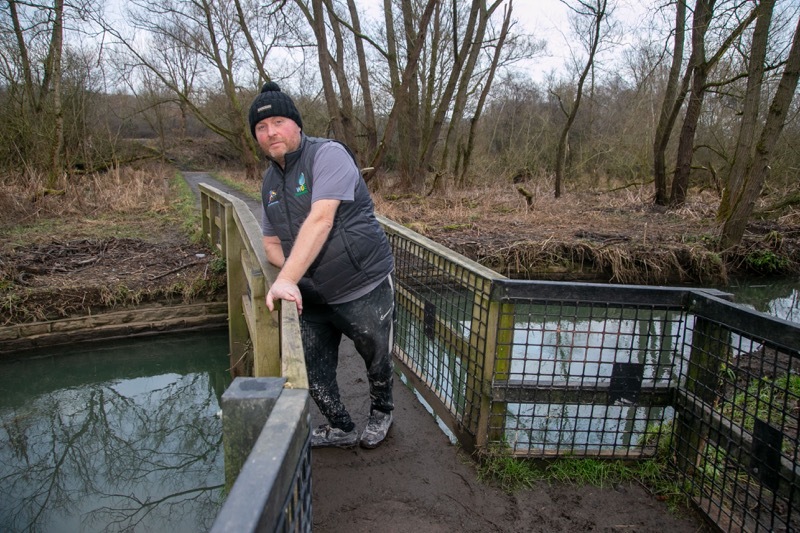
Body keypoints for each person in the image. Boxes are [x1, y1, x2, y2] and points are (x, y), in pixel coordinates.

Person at [249, 81, 396, 449]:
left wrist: (286, 278)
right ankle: (341, 426)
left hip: (360, 284)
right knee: (312, 369)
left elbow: (321, 220)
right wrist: (300, 274)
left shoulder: (327, 156)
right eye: (261, 128)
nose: (271, 133)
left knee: (375, 354)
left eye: (278, 122)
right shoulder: (269, 182)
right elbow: (269, 244)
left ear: (296, 124)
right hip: (313, 296)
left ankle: (382, 411)